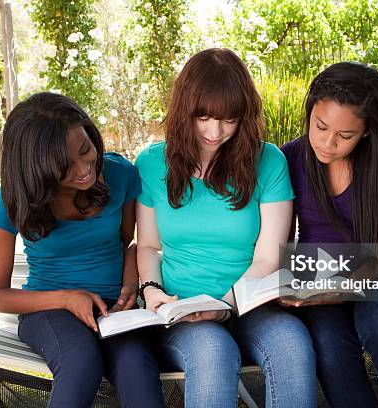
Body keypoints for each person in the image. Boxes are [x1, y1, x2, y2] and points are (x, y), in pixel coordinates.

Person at [135, 48, 317, 408]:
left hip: (253, 303)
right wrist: (153, 291)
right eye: (202, 117)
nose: (214, 132)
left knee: (292, 345)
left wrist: (225, 304)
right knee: (213, 353)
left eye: (228, 120)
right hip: (182, 309)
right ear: (185, 109)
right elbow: (149, 246)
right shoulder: (153, 163)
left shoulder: (269, 162)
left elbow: (268, 257)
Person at [0, 92, 164, 408]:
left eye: (86, 150)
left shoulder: (119, 174)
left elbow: (128, 245)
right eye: (65, 167)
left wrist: (130, 288)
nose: (84, 169)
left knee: (136, 364)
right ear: (36, 169)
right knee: (80, 360)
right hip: (48, 309)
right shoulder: (14, 198)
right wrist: (68, 298)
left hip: (115, 311)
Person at [280, 62, 378, 408]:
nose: (327, 142)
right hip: (316, 279)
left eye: (344, 135)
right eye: (320, 126)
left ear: (367, 131)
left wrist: (343, 289)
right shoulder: (290, 158)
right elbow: (284, 246)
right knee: (331, 346)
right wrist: (292, 287)